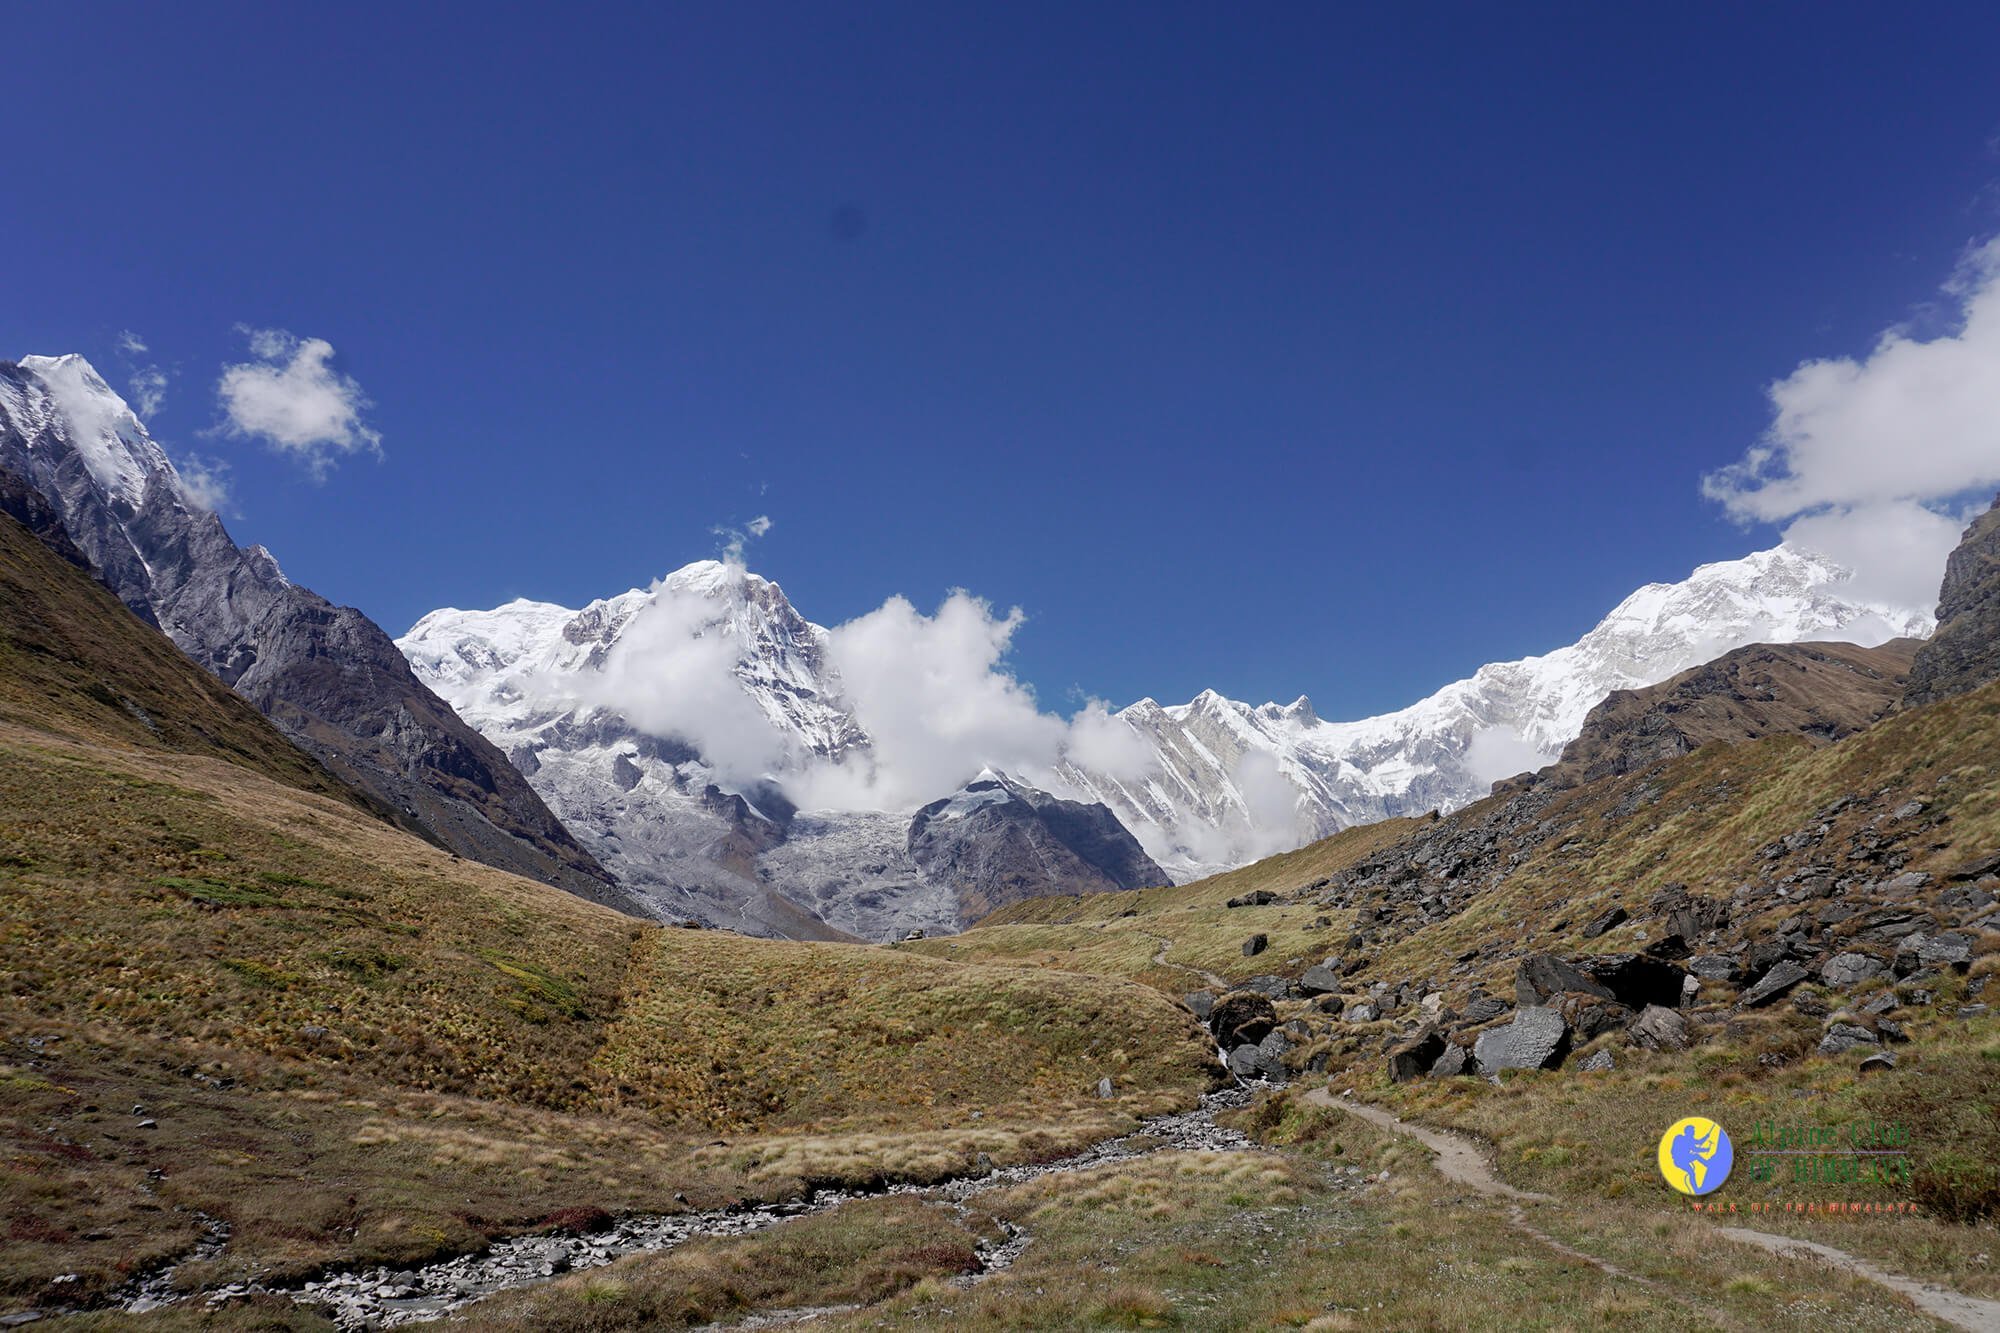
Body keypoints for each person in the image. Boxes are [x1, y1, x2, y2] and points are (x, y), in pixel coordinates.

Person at [1671, 1121, 1717, 1193]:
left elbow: (1699, 1142)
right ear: (1688, 1132)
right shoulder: (1683, 1139)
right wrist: (1706, 1149)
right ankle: (1707, 1164)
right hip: (1680, 1160)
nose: (1694, 1132)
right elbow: (1695, 1148)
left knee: (1692, 1169)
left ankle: (1696, 1189)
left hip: (1682, 1159)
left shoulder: (1686, 1139)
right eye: (1693, 1131)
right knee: (1695, 1159)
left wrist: (1706, 1137)